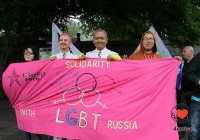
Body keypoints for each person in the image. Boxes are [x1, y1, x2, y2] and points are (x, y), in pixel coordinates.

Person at [50, 32, 84, 140]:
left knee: (70, 126)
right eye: (61, 40)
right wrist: (49, 64)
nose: (63, 42)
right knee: (57, 127)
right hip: (57, 95)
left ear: (70, 43)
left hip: (71, 95)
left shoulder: (76, 58)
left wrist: (83, 60)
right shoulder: (53, 58)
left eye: (65, 40)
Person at [22, 45, 43, 140]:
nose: (28, 55)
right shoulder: (18, 69)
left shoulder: (40, 66)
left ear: (34, 55)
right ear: (23, 55)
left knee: (36, 130)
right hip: (23, 103)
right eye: (26, 53)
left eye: (30, 53)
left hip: (36, 103)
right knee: (25, 129)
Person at [176, 46, 194, 139]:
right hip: (183, 92)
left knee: (194, 113)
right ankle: (182, 131)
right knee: (182, 113)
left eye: (184, 51)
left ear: (190, 52)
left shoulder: (196, 63)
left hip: (195, 92)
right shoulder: (181, 63)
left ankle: (193, 132)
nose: (182, 53)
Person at [187, 51, 200, 140]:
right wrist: (198, 80)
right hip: (197, 101)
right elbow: (189, 74)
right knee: (194, 131)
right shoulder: (199, 57)